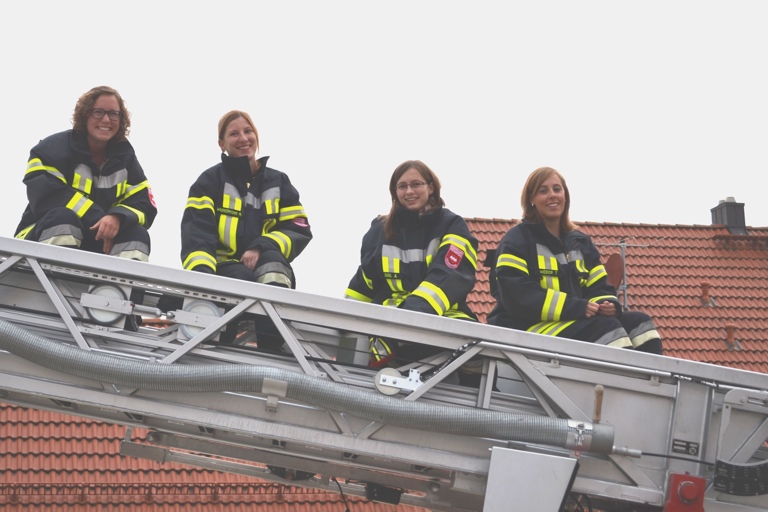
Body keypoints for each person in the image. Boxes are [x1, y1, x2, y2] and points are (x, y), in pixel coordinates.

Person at [487, 166, 663, 355]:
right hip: (525, 328)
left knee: (641, 325)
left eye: (557, 189)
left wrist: (607, 304)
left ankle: (651, 375)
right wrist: (576, 307)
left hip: (571, 322)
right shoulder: (517, 240)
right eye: (543, 191)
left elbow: (600, 286)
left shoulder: (580, 242)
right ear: (531, 200)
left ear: (565, 196)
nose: (552, 195)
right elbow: (517, 296)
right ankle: (624, 375)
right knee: (607, 330)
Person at [179, 110, 312, 350]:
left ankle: (272, 346)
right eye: (234, 134)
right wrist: (202, 282)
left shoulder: (279, 181)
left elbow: (298, 228)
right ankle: (218, 345)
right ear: (222, 144)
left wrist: (260, 247)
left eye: (248, 131)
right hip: (223, 269)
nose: (243, 138)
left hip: (263, 264)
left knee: (274, 265)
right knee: (241, 279)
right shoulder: (209, 181)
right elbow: (197, 234)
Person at [345, 160, 482, 382]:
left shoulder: (451, 225)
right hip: (390, 322)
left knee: (477, 351)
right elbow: (364, 282)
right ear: (394, 192)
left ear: (431, 187)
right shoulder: (379, 230)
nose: (409, 191)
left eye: (416, 184)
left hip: (442, 317)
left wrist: (409, 316)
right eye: (402, 186)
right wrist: (343, 319)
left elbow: (450, 275)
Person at [15, 86, 156, 261]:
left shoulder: (125, 157)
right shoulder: (51, 149)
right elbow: (49, 196)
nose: (106, 119)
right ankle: (56, 276)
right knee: (63, 218)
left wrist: (117, 217)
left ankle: (119, 280)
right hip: (37, 238)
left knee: (137, 234)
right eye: (98, 112)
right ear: (85, 115)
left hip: (97, 244)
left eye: (114, 114)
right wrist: (101, 220)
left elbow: (144, 204)